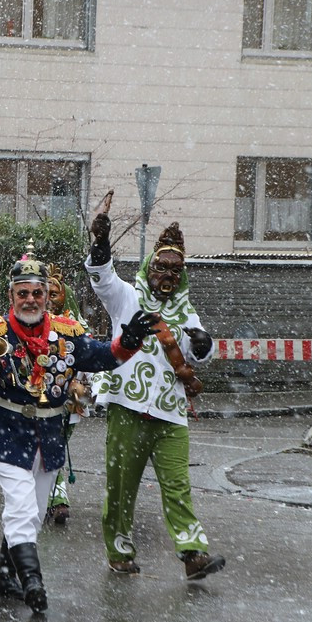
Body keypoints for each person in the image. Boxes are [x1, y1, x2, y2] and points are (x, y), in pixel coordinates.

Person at [0, 242, 157, 613]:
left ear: (47, 295)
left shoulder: (68, 330)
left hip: (48, 436)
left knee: (33, 507)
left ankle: (3, 574)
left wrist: (127, 343)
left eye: (37, 293)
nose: (30, 300)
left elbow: (100, 357)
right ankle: (33, 581)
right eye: (23, 293)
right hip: (4, 431)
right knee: (22, 509)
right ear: (11, 295)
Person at [87, 193, 225, 581]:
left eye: (175, 269)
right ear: (149, 267)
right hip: (128, 410)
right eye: (161, 266)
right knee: (121, 488)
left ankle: (192, 553)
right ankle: (119, 551)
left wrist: (202, 344)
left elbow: (201, 355)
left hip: (170, 414)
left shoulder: (187, 311)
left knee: (178, 484)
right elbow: (102, 277)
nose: (167, 274)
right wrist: (100, 243)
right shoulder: (127, 299)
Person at [43, 263, 90, 525]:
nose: (49, 300)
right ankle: (56, 498)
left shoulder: (77, 326)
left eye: (55, 294)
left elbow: (93, 360)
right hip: (45, 395)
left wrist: (82, 392)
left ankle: (55, 497)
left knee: (56, 444)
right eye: (45, 293)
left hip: (73, 397)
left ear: (65, 296)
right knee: (51, 444)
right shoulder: (37, 322)